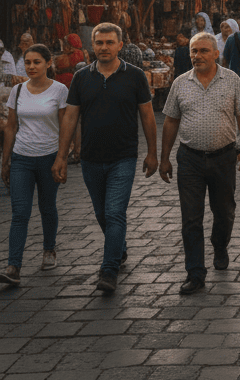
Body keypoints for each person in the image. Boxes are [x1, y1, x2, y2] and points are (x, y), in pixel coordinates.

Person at [53, 22, 158, 294]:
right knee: (102, 214)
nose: (104, 48)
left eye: (110, 43)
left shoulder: (135, 76)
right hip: (90, 158)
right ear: (92, 46)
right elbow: (71, 118)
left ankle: (108, 269)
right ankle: (119, 247)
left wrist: (153, 152)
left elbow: (147, 115)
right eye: (99, 43)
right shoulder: (81, 77)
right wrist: (61, 156)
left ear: (120, 45)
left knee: (114, 212)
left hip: (123, 157)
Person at [159, 32, 240, 294]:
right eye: (193, 51)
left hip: (224, 157)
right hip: (189, 159)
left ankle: (220, 245)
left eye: (203, 51)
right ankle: (195, 273)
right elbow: (170, 121)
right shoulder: (180, 83)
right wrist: (164, 157)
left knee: (224, 211)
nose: (197, 56)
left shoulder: (231, 80)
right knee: (191, 218)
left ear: (215, 54)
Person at [2, 43, 67, 285]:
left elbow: (65, 126)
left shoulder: (60, 91)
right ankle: (13, 266)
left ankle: (49, 249)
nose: (31, 67)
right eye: (28, 62)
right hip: (22, 158)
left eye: (36, 62)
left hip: (49, 156)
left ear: (48, 63)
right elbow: (11, 127)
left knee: (47, 206)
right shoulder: (17, 91)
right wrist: (5, 160)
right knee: (20, 212)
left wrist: (63, 156)